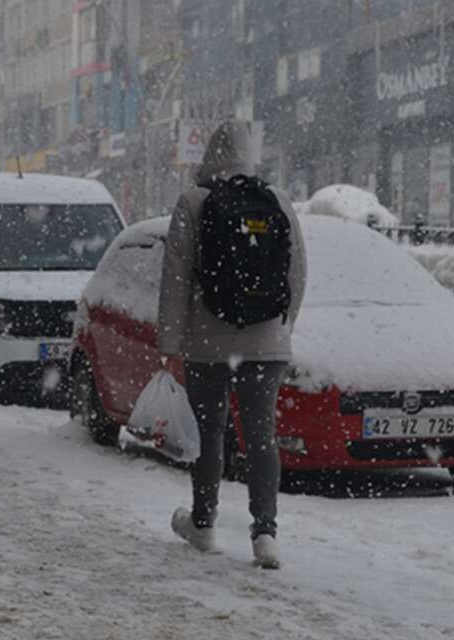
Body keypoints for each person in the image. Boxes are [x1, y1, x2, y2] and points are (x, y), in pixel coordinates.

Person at [158, 120, 307, 569]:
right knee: (261, 436)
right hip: (267, 340)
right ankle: (265, 533)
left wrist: (169, 342)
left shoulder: (194, 201)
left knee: (209, 432)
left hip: (208, 340)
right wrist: (282, 328)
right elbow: (297, 273)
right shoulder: (276, 201)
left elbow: (176, 279)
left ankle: (203, 523)